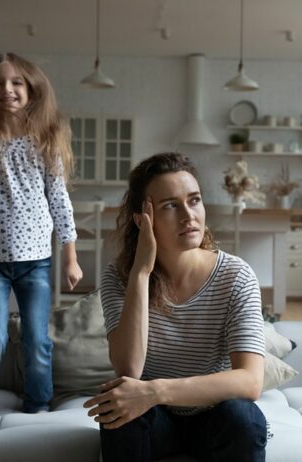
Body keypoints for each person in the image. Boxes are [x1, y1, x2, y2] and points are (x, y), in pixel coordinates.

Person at [83, 153, 267, 461]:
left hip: (214, 418)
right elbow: (129, 368)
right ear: (142, 219)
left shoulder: (236, 276)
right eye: (170, 205)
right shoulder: (119, 276)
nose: (188, 215)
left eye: (194, 201)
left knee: (243, 416)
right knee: (118, 411)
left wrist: (156, 391)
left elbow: (250, 381)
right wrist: (141, 272)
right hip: (153, 419)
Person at [0, 52, 83, 416]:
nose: (7, 90)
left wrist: (70, 257)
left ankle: (38, 404)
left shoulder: (45, 143)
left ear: (31, 90)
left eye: (16, 83)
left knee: (36, 339)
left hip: (36, 264)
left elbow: (60, 202)